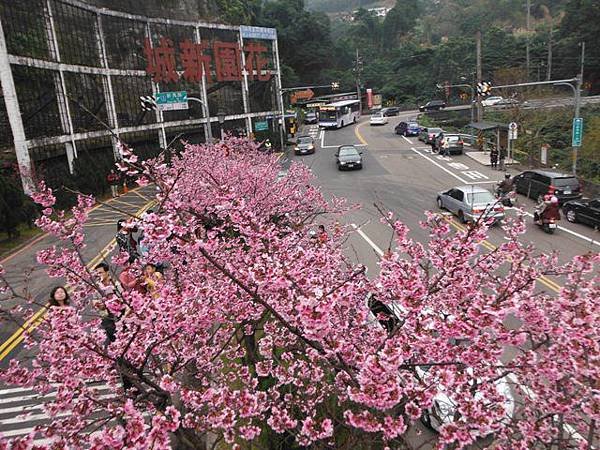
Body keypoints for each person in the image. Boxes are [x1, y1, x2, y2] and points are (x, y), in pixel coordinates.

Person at [93, 262, 119, 344]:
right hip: (106, 317)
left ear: (107, 272)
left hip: (118, 315)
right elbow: (95, 300)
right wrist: (98, 305)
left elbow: (122, 299)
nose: (98, 275)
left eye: (100, 272)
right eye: (97, 273)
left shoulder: (115, 284)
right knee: (112, 338)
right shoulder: (97, 286)